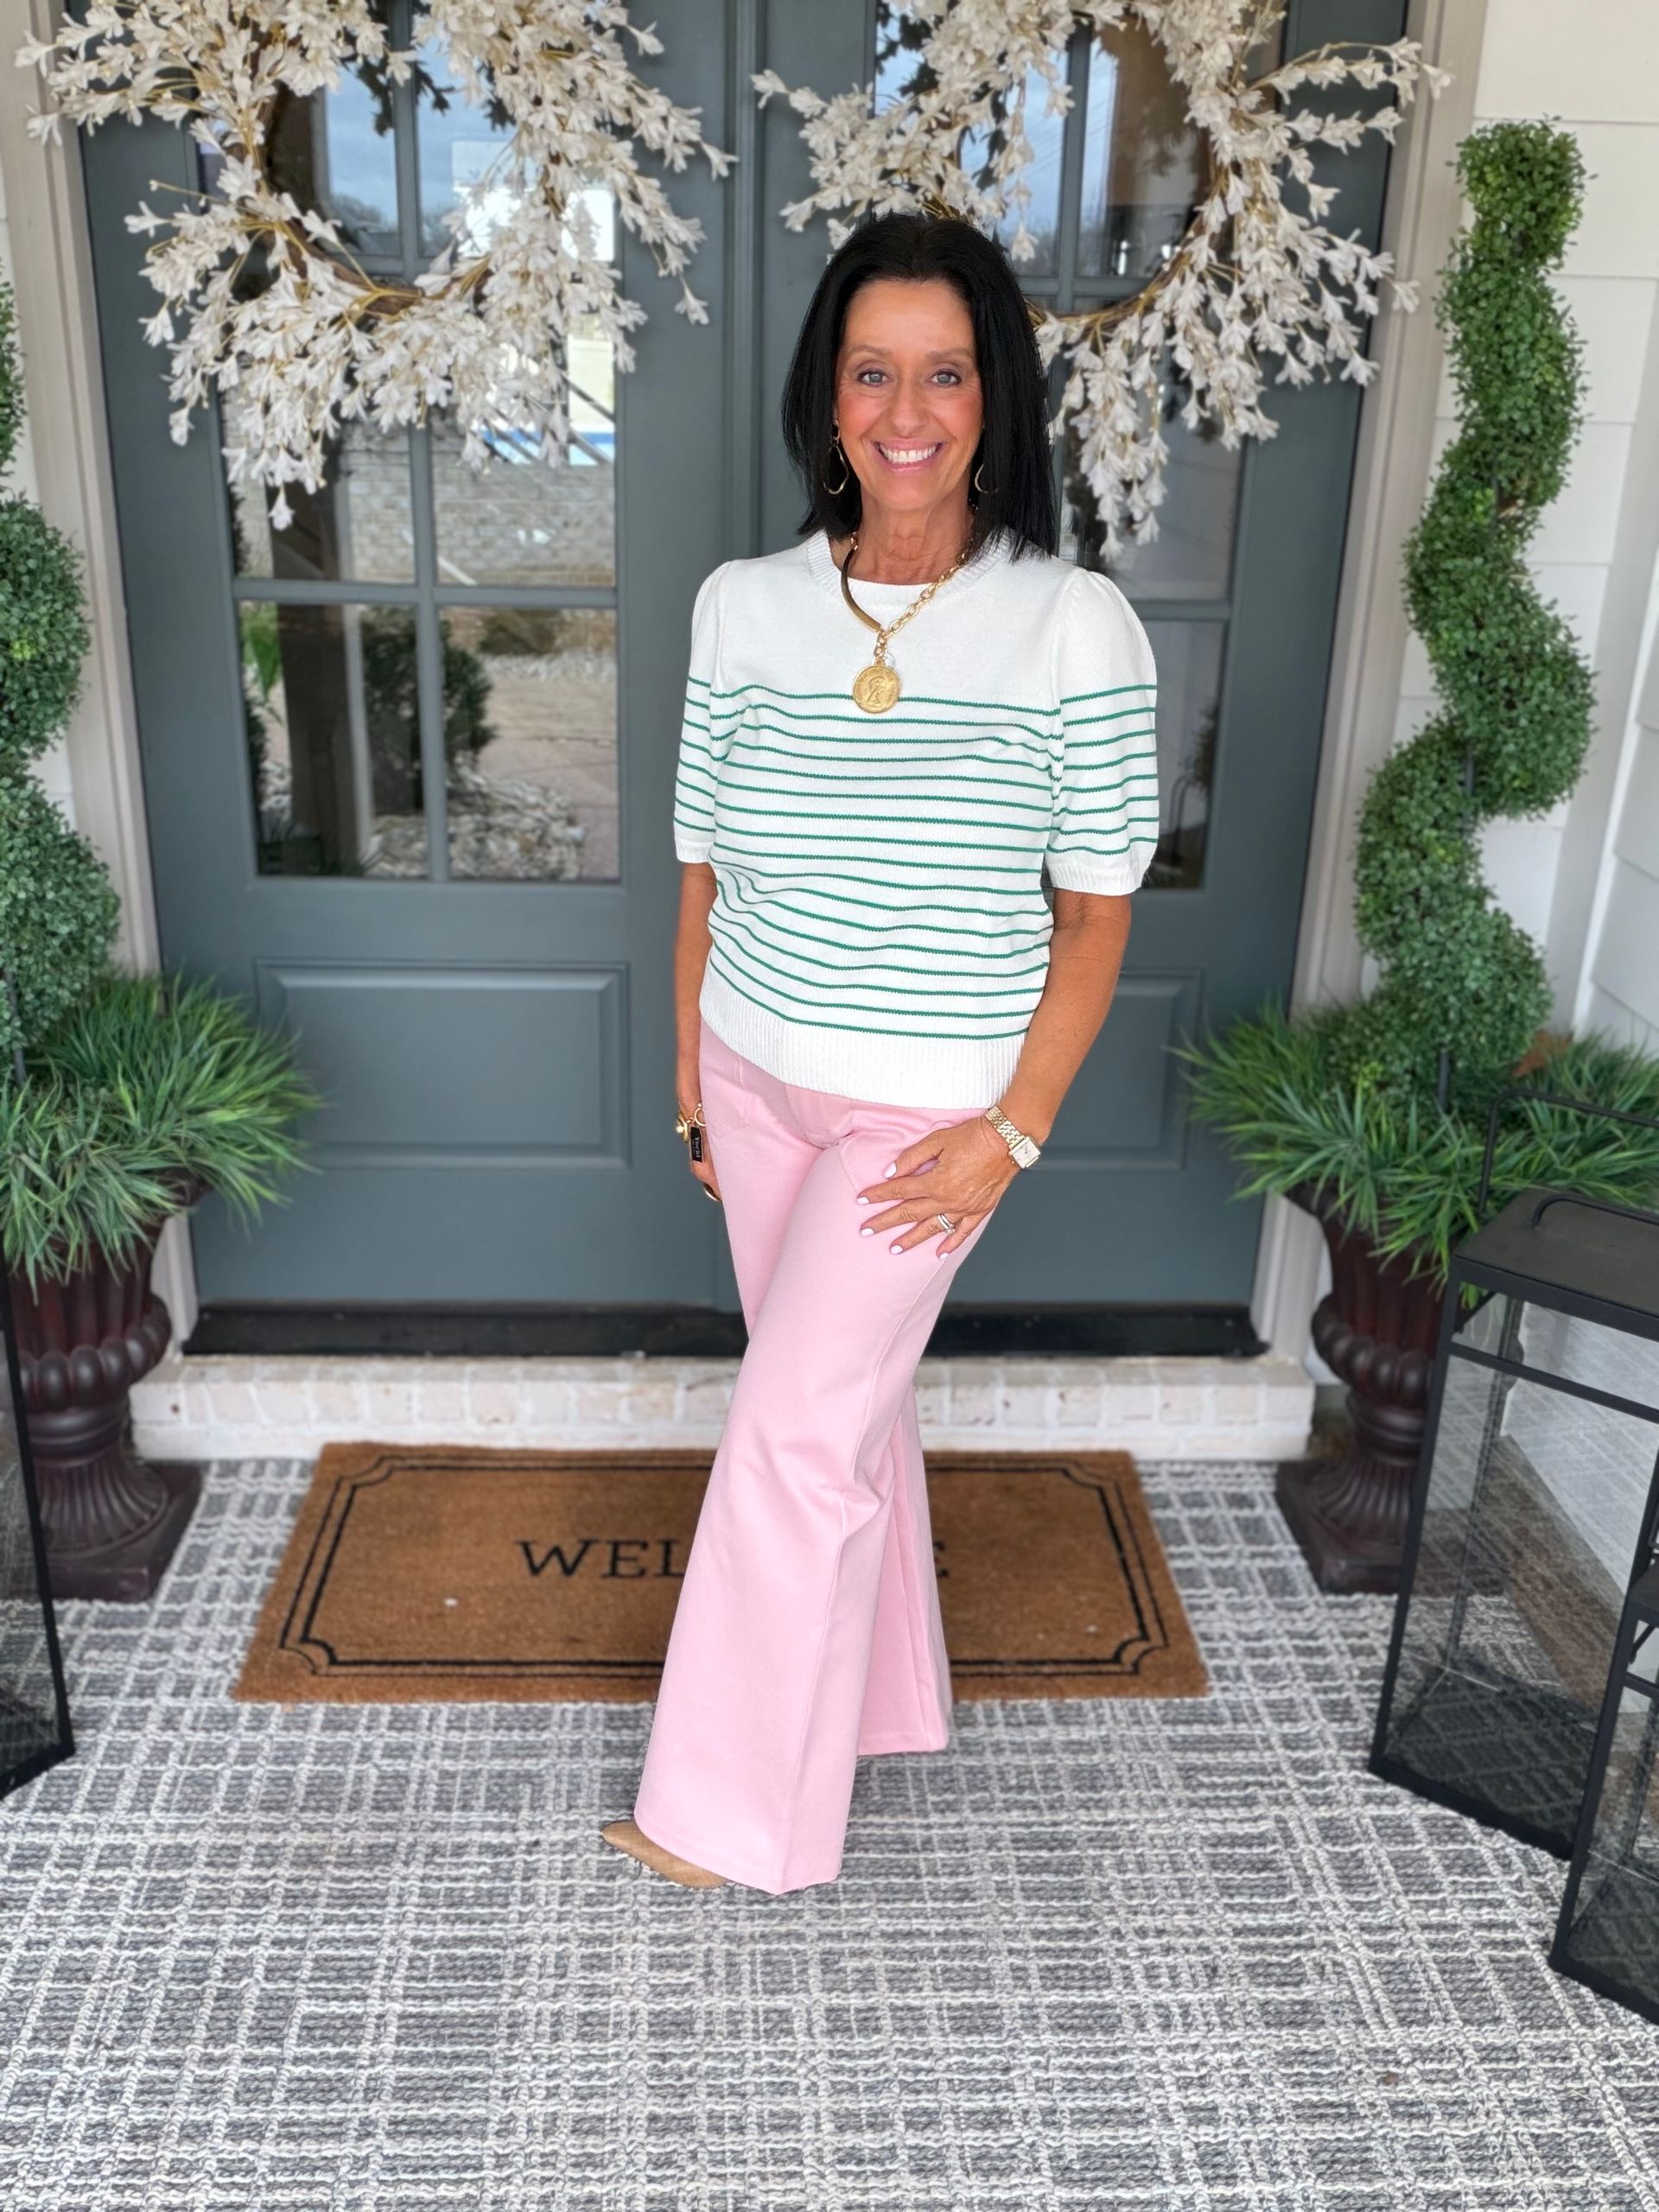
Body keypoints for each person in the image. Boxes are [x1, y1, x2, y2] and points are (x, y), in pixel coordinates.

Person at [602, 211, 1159, 1895]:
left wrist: (1018, 1130)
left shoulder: (1073, 623)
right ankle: (886, 1695)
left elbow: (1099, 919)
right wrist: (695, 1065)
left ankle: (729, 1813)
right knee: (840, 1415)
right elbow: (704, 852)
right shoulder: (745, 605)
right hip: (756, 1076)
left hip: (926, 1115)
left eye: (943, 372)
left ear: (993, 398)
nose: (903, 410)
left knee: (785, 1432)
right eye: (870, 370)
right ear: (826, 397)